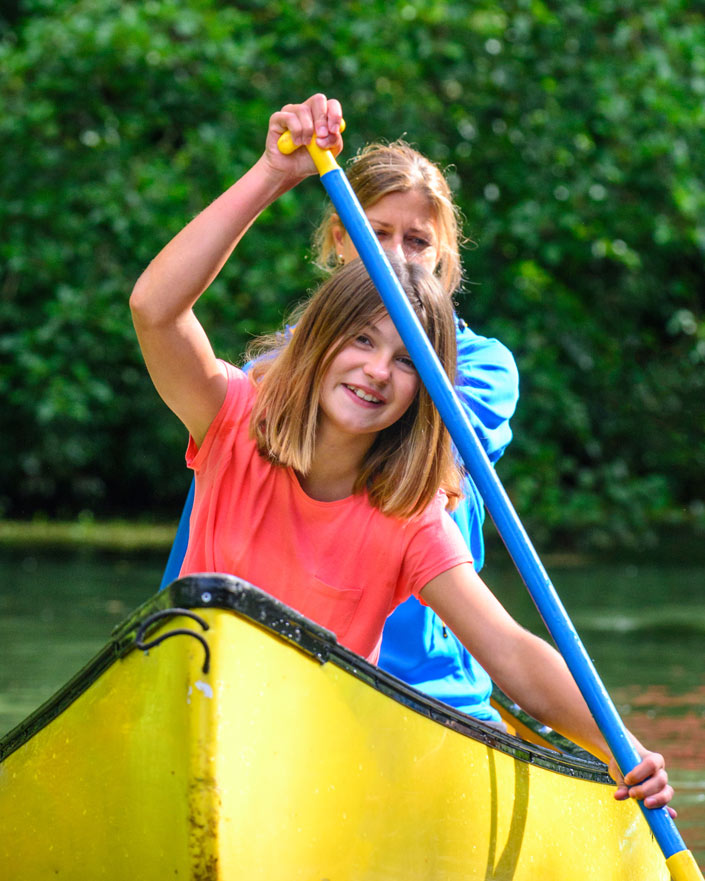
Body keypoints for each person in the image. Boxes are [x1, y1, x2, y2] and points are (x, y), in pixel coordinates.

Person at [129, 93, 674, 813]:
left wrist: (620, 745)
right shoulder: (233, 416)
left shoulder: (410, 515)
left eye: (407, 359)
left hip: (338, 740)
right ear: (319, 342)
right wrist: (271, 174)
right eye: (360, 340)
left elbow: (509, 649)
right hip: (200, 706)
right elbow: (154, 310)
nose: (377, 371)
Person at [309, 135, 518, 726]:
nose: (394, 256)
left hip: (428, 685)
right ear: (340, 239)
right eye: (375, 233)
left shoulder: (483, 366)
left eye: (417, 241)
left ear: (442, 255)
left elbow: (407, 446)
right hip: (302, 666)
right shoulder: (283, 362)